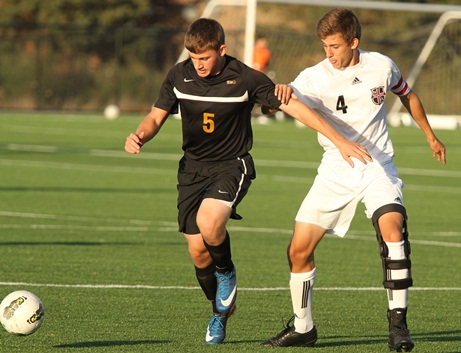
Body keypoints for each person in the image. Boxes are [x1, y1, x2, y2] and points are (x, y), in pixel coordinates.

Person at [124, 18, 372, 345]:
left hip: (231, 165)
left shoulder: (244, 78)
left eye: (205, 58)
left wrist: (339, 141)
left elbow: (294, 107)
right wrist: (140, 135)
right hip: (192, 170)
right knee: (198, 251)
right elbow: (156, 116)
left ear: (222, 50)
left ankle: (226, 273)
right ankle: (219, 312)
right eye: (193, 58)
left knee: (210, 222)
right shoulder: (178, 75)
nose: (197, 65)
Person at [261, 9, 446, 352]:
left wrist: (430, 136)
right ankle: (304, 328)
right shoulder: (314, 77)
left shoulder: (381, 66)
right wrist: (279, 97)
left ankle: (399, 326)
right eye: (324, 46)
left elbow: (408, 94)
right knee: (298, 251)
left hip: (377, 165)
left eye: (334, 46)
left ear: (354, 42)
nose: (327, 53)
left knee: (394, 231)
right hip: (334, 168)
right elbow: (275, 105)